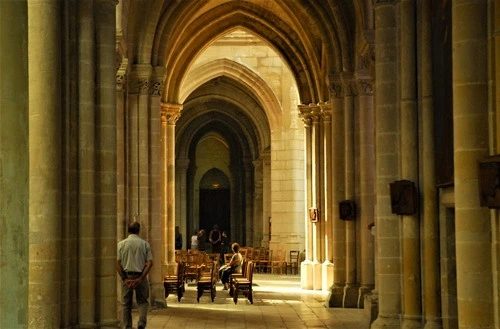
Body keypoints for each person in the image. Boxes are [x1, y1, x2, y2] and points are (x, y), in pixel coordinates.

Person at [116, 222, 153, 329]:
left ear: (128, 230)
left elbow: (117, 263)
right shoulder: (144, 244)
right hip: (140, 275)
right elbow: (150, 263)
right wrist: (141, 278)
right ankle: (141, 323)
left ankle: (127, 326)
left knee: (126, 304)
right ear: (138, 230)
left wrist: (125, 279)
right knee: (142, 302)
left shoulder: (121, 244)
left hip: (127, 275)